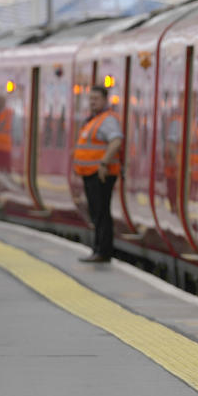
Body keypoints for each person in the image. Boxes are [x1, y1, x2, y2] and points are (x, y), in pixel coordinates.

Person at [73, 85, 123, 263]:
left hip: (101, 174)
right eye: (91, 99)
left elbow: (116, 141)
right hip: (91, 174)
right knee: (96, 212)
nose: (93, 102)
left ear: (105, 100)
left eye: (96, 99)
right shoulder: (94, 120)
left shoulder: (107, 120)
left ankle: (102, 251)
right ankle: (98, 249)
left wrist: (103, 164)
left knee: (101, 212)